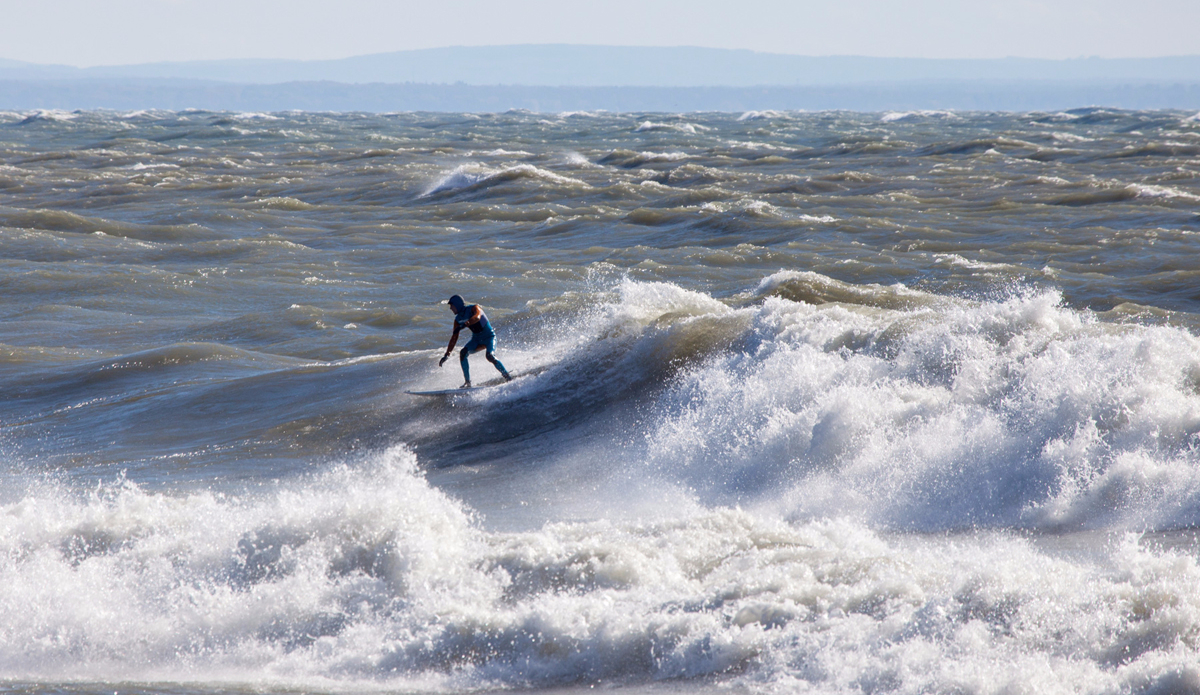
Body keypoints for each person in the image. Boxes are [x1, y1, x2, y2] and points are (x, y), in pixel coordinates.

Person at [439, 294, 511, 388]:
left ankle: (507, 377)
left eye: (451, 306)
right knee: (463, 353)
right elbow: (454, 338)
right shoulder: (457, 320)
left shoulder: (474, 308)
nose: (450, 308)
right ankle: (468, 383)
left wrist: (464, 325)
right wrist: (446, 355)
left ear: (457, 304)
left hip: (489, 337)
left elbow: (477, 318)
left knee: (490, 356)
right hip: (476, 340)